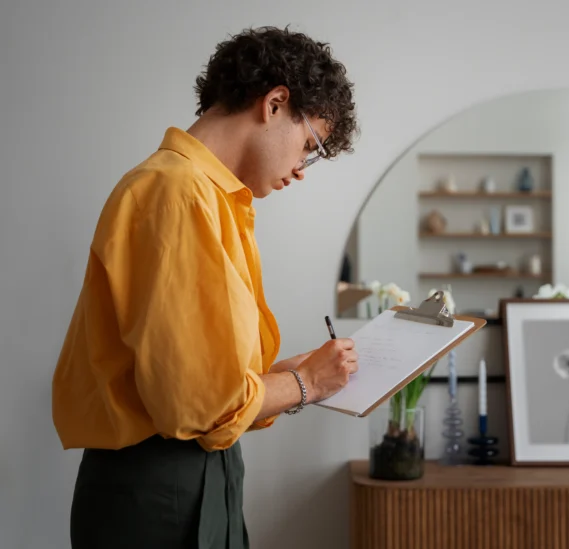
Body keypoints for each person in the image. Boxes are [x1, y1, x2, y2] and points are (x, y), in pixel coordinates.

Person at [51, 26, 360, 549]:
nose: (303, 170)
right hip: (159, 491)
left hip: (187, 482)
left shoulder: (209, 198)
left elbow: (199, 382)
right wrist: (306, 384)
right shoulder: (178, 194)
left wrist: (276, 378)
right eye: (309, 146)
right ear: (276, 103)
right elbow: (200, 407)